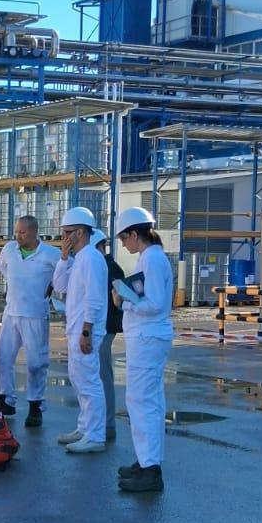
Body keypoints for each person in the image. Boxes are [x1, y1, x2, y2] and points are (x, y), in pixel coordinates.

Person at [112, 206, 174, 494]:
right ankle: (147, 461)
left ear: (135, 234)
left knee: (141, 401)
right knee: (150, 401)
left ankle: (150, 469)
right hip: (149, 339)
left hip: (148, 338)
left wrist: (124, 300)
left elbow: (156, 304)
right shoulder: (151, 258)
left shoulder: (152, 260)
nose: (124, 245)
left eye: (124, 239)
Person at [0, 214, 60, 428]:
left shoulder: (51, 254)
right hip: (11, 312)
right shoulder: (9, 249)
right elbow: (3, 268)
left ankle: (35, 406)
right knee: (2, 359)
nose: (18, 235)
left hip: (35, 315)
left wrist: (49, 291)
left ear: (34, 232)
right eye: (16, 231)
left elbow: (65, 274)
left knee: (36, 363)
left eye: (22, 232)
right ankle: (5, 400)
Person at [51, 206, 108, 455]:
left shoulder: (92, 259)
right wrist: (63, 258)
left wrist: (87, 331)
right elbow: (59, 286)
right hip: (76, 329)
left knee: (89, 383)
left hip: (86, 330)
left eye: (68, 233)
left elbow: (94, 298)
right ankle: (85, 428)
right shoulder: (80, 258)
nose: (65, 237)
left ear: (81, 232)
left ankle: (95, 435)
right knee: (78, 380)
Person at [92, 229, 124, 442]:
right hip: (99, 327)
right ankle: (98, 423)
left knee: (103, 376)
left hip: (104, 328)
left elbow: (116, 302)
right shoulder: (102, 266)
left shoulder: (110, 268)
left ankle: (108, 424)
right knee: (97, 376)